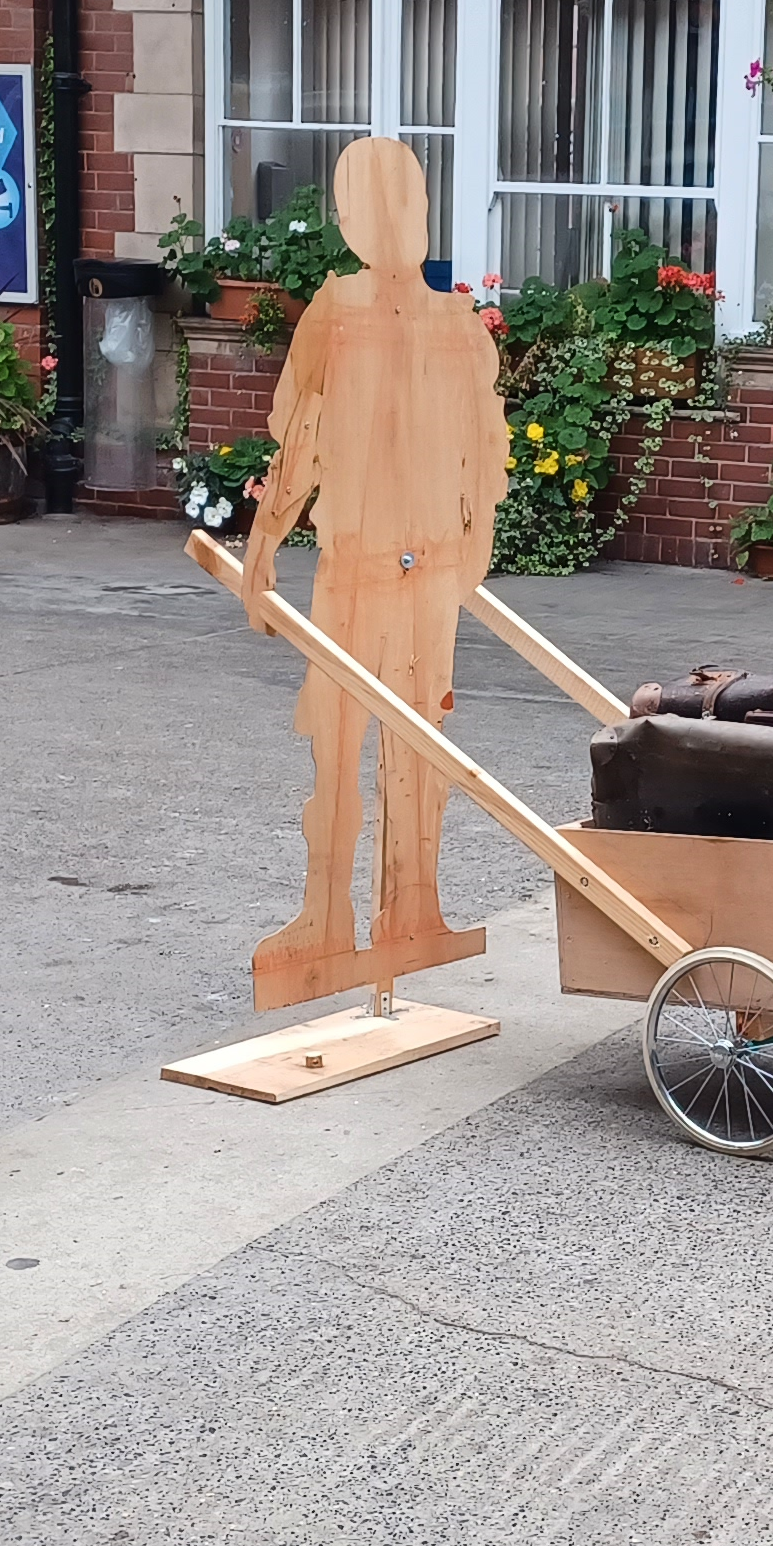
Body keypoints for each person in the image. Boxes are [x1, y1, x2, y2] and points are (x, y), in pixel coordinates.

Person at [238, 136, 509, 1001]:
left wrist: (265, 541)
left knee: (355, 739)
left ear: (351, 220)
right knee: (402, 740)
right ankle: (382, 911)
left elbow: (302, 438)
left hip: (366, 562)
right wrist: (471, 555)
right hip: (421, 562)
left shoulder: (345, 310)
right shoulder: (456, 321)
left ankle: (372, 914)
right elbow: (487, 460)